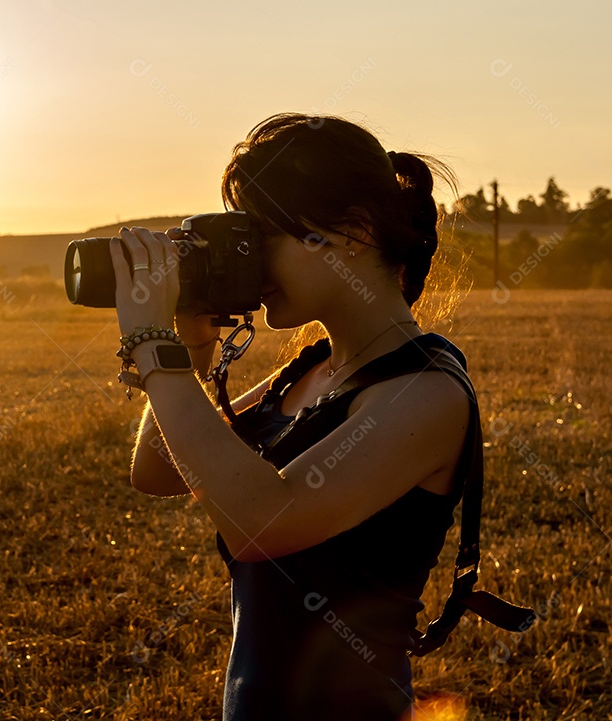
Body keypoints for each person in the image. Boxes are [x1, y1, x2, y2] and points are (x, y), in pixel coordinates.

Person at [108, 114, 475, 720]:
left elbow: (259, 522)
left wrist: (150, 345)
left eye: (260, 237)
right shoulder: (312, 371)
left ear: (351, 232)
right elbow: (158, 471)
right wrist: (190, 342)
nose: (247, 261)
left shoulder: (425, 391)